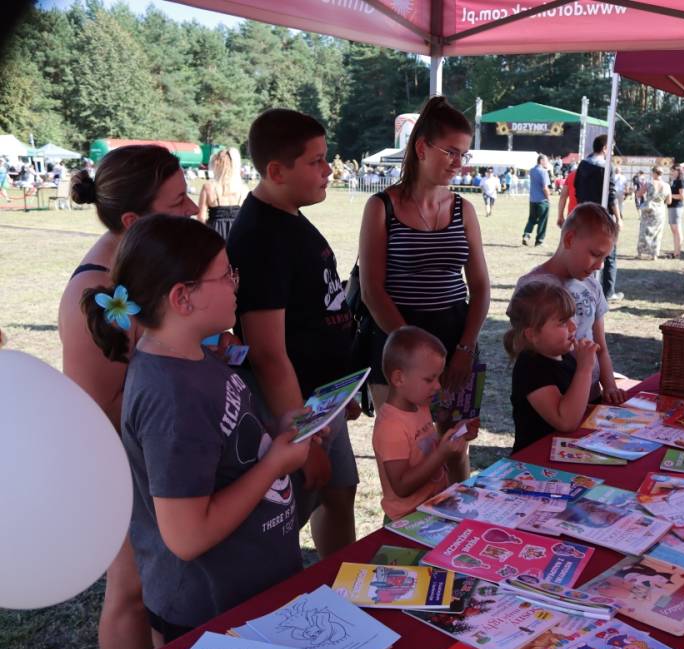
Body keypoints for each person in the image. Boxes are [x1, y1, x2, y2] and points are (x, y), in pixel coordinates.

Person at [82, 214, 316, 644]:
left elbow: (225, 445)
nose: (236, 284)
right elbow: (187, 537)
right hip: (210, 614)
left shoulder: (196, 355)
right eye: (226, 275)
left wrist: (278, 430)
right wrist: (275, 465)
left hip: (251, 590)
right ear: (182, 298)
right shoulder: (170, 396)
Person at [57, 144, 199, 649]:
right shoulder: (97, 295)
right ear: (134, 221)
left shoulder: (139, 267)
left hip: (151, 458)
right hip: (120, 466)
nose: (193, 209)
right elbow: (98, 410)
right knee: (132, 588)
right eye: (178, 202)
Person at [226, 109, 359, 558]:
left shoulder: (288, 217)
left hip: (321, 399)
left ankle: (340, 581)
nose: (328, 171)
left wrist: (341, 389)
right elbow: (267, 352)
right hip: (293, 407)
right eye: (316, 161)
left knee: (338, 492)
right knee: (293, 507)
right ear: (277, 171)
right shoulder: (260, 236)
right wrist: (302, 436)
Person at [359, 95, 490, 441]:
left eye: (464, 154)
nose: (459, 163)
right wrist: (414, 353)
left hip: (455, 342)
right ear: (421, 148)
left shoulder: (464, 209)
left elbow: (480, 286)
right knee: (405, 449)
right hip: (396, 341)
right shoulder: (381, 207)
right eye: (451, 152)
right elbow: (372, 291)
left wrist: (464, 348)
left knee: (455, 446)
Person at [514, 202, 626, 409]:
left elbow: (599, 346)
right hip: (553, 400)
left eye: (605, 257)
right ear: (569, 239)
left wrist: (609, 386)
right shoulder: (532, 287)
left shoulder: (592, 286)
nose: (600, 265)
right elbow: (525, 351)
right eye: (595, 254)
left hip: (591, 394)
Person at [372, 326, 478, 521]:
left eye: (438, 377)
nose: (438, 386)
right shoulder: (391, 426)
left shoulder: (420, 406)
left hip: (433, 507)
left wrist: (457, 434)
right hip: (406, 519)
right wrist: (441, 454)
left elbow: (425, 451)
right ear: (399, 378)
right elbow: (401, 486)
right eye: (429, 379)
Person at [505, 280, 600, 452]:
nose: (573, 326)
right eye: (563, 322)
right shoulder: (530, 367)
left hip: (565, 451)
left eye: (571, 317)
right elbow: (566, 422)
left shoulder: (564, 356)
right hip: (534, 458)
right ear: (532, 334)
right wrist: (584, 369)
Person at [574, 134, 622, 301]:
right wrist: (618, 217)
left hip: (584, 214)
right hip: (602, 217)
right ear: (605, 148)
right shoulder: (606, 167)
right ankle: (608, 292)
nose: (613, 152)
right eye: (612, 148)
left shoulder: (583, 164)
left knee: (586, 253)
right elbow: (611, 195)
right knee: (609, 255)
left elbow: (576, 188)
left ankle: (584, 288)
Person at [198, 147, 249, 240]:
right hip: (237, 232)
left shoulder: (208, 187)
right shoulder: (244, 189)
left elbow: (201, 218)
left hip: (214, 233)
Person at [636, 166, 671, 260]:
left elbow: (638, 194)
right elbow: (669, 201)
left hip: (648, 209)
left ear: (654, 173)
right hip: (660, 211)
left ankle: (641, 253)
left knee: (644, 231)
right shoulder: (667, 185)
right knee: (657, 233)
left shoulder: (648, 183)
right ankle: (654, 254)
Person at [523, 154, 551, 246]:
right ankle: (539, 240)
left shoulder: (532, 170)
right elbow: (544, 187)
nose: (547, 163)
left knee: (531, 219)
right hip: (542, 201)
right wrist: (549, 198)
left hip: (533, 200)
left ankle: (526, 235)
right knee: (542, 220)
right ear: (541, 161)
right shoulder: (543, 172)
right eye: (546, 161)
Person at [665, 165, 684, 258]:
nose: (671, 172)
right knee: (674, 231)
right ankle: (676, 251)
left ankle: (677, 253)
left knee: (677, 231)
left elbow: (682, 196)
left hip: (676, 208)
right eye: (671, 171)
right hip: (672, 207)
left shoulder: (681, 181)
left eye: (673, 171)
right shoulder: (674, 181)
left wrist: (670, 195)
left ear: (678, 171)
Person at [556, 163, 578, 228]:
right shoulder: (600, 173)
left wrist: (560, 216)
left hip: (573, 215)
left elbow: (563, 196)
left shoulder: (571, 175)